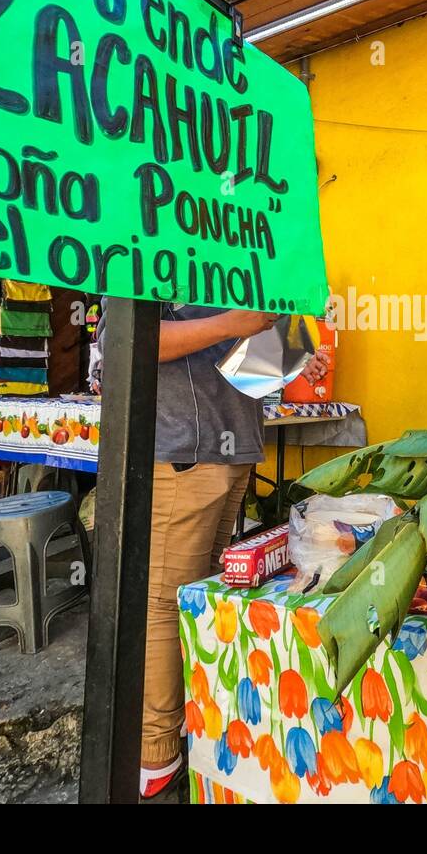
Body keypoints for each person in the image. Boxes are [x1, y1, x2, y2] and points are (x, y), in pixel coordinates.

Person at [140, 304, 328, 799]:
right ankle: (155, 752)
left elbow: (236, 363)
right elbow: (130, 342)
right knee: (164, 602)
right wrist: (232, 324)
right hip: (183, 450)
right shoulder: (146, 248)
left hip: (234, 446)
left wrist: (291, 359)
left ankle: (193, 723)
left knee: (200, 597)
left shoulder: (230, 256)